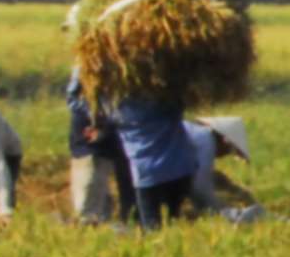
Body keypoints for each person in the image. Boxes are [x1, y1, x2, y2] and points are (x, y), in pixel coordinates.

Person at [108, 93, 196, 229]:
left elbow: (99, 109)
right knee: (175, 220)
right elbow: (182, 105)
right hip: (177, 169)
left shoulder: (120, 112)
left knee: (151, 225)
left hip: (146, 176)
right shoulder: (164, 104)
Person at [65, 70, 134, 226]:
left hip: (121, 138)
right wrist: (98, 120)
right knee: (89, 204)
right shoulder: (89, 63)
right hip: (92, 143)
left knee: (127, 194)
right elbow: (74, 98)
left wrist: (106, 125)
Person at [184, 116, 250, 216]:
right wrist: (222, 209)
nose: (222, 156)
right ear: (224, 141)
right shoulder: (206, 140)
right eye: (228, 151)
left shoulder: (192, 131)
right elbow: (201, 187)